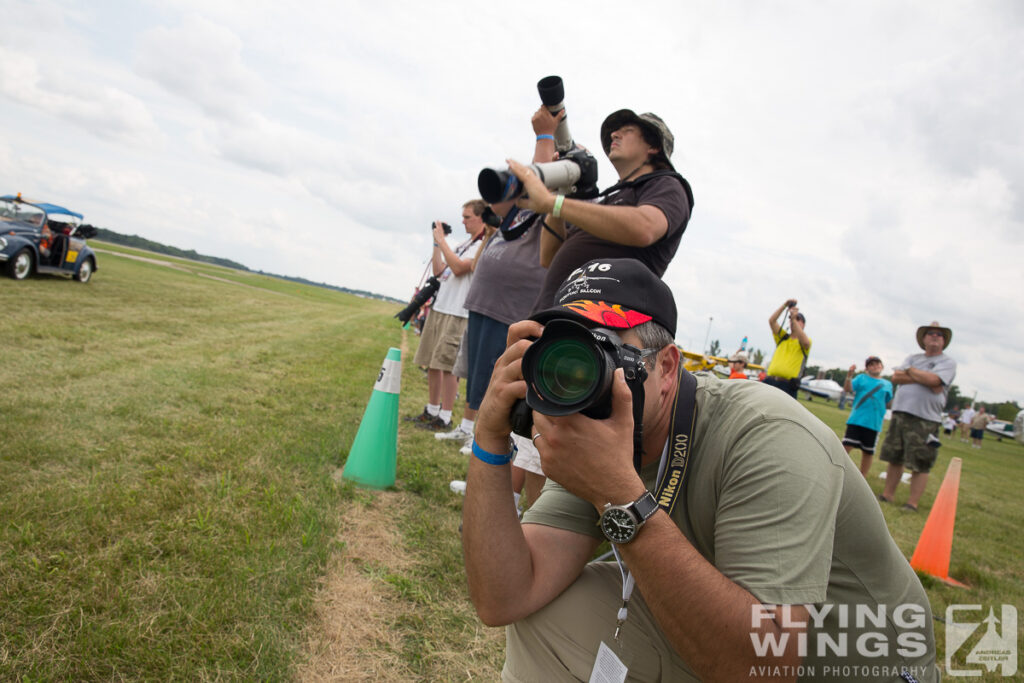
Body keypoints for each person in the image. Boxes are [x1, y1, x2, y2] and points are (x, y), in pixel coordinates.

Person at [462, 259, 938, 682]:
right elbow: (504, 597)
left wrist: (618, 494)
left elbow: (764, 666)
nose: (581, 377)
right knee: (552, 615)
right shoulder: (599, 434)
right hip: (721, 626)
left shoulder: (767, 434)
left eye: (602, 351)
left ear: (667, 368)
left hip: (845, 663)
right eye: (564, 353)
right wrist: (489, 440)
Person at [506, 108, 693, 315]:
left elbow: (645, 228)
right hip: (551, 315)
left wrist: (554, 203)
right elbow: (548, 257)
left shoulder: (668, 185)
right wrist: (561, 193)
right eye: (615, 131)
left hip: (594, 326)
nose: (614, 134)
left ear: (654, 146)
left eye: (628, 130)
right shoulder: (608, 201)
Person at [406, 201, 487, 430]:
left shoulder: (481, 244)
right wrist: (436, 243)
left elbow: (460, 268)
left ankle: (446, 415)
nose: (462, 221)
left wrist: (442, 241)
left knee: (449, 366)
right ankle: (432, 410)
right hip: (441, 307)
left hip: (459, 312)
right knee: (432, 361)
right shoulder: (464, 244)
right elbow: (439, 270)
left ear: (481, 218)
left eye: (467, 216)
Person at [879, 321, 957, 511]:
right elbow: (896, 377)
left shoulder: (947, 363)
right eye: (930, 333)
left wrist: (911, 371)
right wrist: (925, 378)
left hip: (925, 419)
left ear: (944, 340)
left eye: (939, 334)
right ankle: (887, 495)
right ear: (923, 338)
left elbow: (936, 381)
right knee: (895, 456)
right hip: (901, 412)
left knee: (920, 460)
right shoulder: (912, 357)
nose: (935, 336)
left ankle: (912, 503)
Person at [841, 356, 894, 477]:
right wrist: (849, 376)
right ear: (867, 368)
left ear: (882, 366)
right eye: (871, 364)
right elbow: (847, 389)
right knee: (846, 446)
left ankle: (862, 476)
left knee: (868, 452)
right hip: (857, 419)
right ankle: (837, 468)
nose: (875, 366)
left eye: (877, 364)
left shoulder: (887, 384)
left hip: (874, 423)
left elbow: (887, 401)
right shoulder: (861, 378)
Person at [764, 299, 811, 398]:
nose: (794, 321)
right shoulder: (783, 337)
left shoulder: (804, 341)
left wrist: (793, 320)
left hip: (787, 386)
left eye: (798, 319)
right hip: (770, 381)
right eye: (791, 319)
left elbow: (806, 343)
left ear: (804, 324)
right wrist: (785, 305)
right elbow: (772, 321)